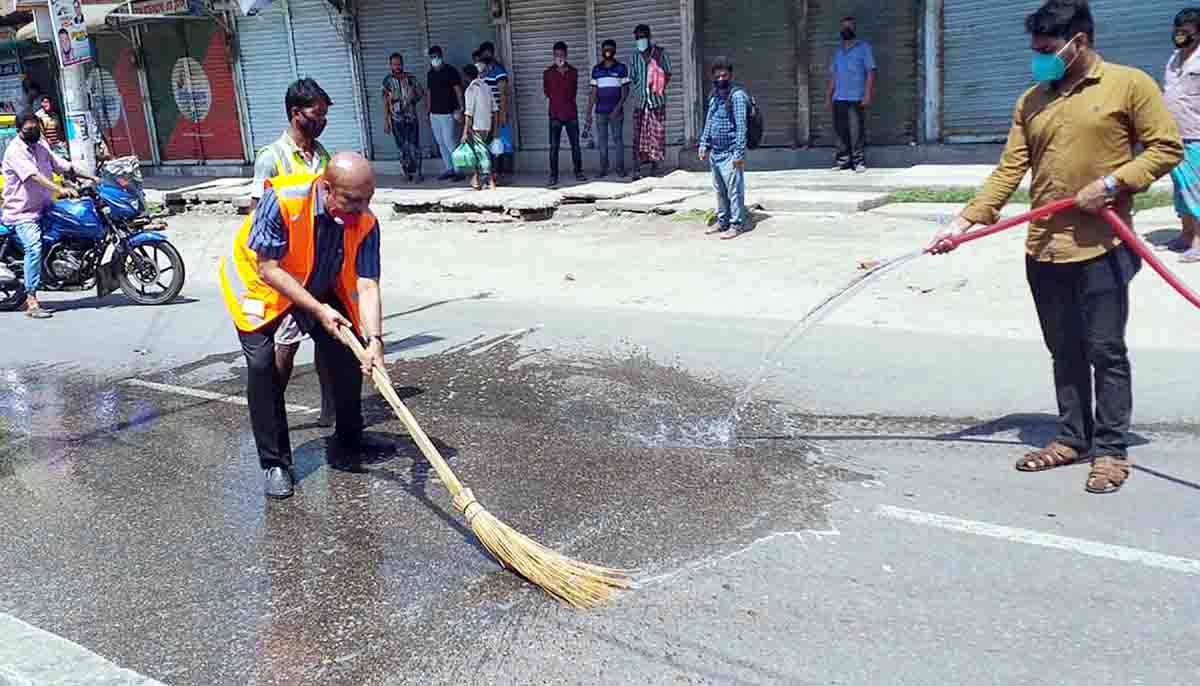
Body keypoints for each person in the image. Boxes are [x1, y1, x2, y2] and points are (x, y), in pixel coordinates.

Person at [931, 0, 1183, 495]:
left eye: (1047, 50)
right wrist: (962, 223)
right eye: (1036, 50)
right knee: (1064, 350)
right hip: (1045, 248)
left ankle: (1111, 450)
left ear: (1078, 42)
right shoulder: (1032, 100)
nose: (1039, 59)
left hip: (1104, 244)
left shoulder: (1129, 84)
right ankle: (1072, 438)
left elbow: (1166, 147)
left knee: (1105, 351)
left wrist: (1112, 184)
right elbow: (1009, 170)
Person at [219, 152, 393, 500]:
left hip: (318, 282)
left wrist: (374, 341)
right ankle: (275, 463)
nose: (362, 209)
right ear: (327, 189)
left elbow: (367, 284)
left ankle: (350, 437)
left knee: (348, 352)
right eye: (352, 201)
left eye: (368, 199)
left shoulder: (365, 221)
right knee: (263, 366)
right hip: (261, 287)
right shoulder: (283, 199)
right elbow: (268, 268)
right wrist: (318, 309)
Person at [249, 78, 336, 428]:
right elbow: (257, 216)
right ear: (296, 113)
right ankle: (272, 417)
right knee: (287, 344)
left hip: (320, 264)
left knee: (328, 340)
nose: (323, 121)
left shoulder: (322, 155)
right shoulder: (272, 158)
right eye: (318, 114)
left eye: (325, 114)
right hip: (285, 269)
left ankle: (330, 410)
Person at [1, 113, 96, 319]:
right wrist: (59, 189)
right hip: (22, 213)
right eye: (29, 129)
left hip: (45, 206)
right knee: (34, 248)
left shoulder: (41, 146)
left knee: (72, 224)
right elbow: (34, 176)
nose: (33, 132)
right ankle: (31, 300)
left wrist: (92, 177)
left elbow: (62, 165)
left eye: (36, 128)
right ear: (19, 131)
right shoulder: (15, 151)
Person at [1163, 8, 1200, 263]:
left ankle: (1198, 241)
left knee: (1196, 190)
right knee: (1181, 191)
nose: (1180, 36)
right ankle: (1186, 234)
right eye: (1177, 31)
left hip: (1196, 135)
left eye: (1186, 32)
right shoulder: (1173, 59)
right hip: (1173, 135)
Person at [698, 58, 749, 240]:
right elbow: (709, 120)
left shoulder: (737, 96)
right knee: (720, 191)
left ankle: (737, 224)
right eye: (717, 76)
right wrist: (703, 144)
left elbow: (742, 127)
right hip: (716, 152)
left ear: (731, 75)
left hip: (730, 152)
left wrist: (739, 153)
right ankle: (723, 221)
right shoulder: (714, 95)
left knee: (734, 191)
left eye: (724, 75)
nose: (721, 79)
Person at [825, 16, 876, 173]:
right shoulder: (838, 52)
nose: (846, 29)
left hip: (856, 96)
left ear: (854, 29)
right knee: (840, 131)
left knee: (856, 131)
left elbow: (870, 72)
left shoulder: (864, 48)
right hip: (839, 96)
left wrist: (867, 94)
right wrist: (828, 96)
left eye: (849, 26)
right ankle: (843, 161)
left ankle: (858, 162)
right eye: (844, 27)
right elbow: (834, 76)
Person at [629, 24, 671, 181]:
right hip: (640, 103)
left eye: (643, 36)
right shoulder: (634, 57)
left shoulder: (660, 54)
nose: (640, 40)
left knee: (656, 135)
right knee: (638, 136)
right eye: (638, 37)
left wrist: (658, 85)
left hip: (656, 102)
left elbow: (668, 73)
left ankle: (655, 166)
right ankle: (637, 168)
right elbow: (632, 78)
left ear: (649, 37)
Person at [543, 41, 585, 186]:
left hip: (571, 113)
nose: (559, 57)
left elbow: (573, 91)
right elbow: (547, 92)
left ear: (566, 55)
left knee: (575, 145)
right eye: (556, 55)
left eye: (561, 54)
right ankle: (553, 176)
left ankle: (578, 172)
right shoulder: (548, 73)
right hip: (555, 114)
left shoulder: (573, 71)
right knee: (554, 147)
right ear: (553, 55)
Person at [587, 39, 630, 178]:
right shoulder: (596, 69)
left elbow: (625, 91)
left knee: (618, 140)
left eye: (610, 49)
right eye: (605, 49)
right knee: (602, 142)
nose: (608, 51)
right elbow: (593, 93)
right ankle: (603, 169)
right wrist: (589, 113)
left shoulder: (621, 68)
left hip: (616, 112)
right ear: (601, 51)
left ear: (615, 51)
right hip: (600, 112)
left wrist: (617, 108)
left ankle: (620, 168)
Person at [382, 53, 425, 183]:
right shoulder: (387, 81)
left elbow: (420, 93)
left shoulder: (411, 78)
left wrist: (411, 100)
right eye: (394, 64)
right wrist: (386, 120)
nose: (397, 66)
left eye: (399, 64)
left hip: (411, 118)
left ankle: (417, 173)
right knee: (402, 147)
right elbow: (385, 101)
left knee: (414, 146)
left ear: (402, 64)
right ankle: (407, 172)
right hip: (396, 119)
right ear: (390, 65)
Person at [426, 45, 465, 182]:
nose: (434, 59)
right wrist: (428, 111)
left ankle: (459, 170)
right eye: (432, 57)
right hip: (434, 114)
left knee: (450, 142)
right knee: (440, 142)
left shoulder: (451, 71)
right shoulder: (430, 73)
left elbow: (458, 90)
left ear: (441, 56)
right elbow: (429, 93)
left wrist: (461, 108)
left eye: (436, 57)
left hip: (448, 113)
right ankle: (449, 168)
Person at [478, 42, 511, 183]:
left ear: (492, 53)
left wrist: (503, 115)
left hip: (498, 115)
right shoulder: (482, 72)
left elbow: (503, 94)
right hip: (486, 116)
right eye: (483, 54)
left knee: (499, 145)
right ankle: (491, 174)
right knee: (488, 145)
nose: (485, 56)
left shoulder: (499, 71)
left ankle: (501, 174)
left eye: (487, 53)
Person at [462, 62, 497, 191]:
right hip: (487, 125)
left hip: (476, 126)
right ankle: (476, 179)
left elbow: (469, 113)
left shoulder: (470, 90)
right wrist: (495, 128)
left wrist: (465, 132)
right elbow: (495, 109)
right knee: (479, 153)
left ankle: (490, 180)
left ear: (466, 77)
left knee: (482, 153)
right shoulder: (486, 87)